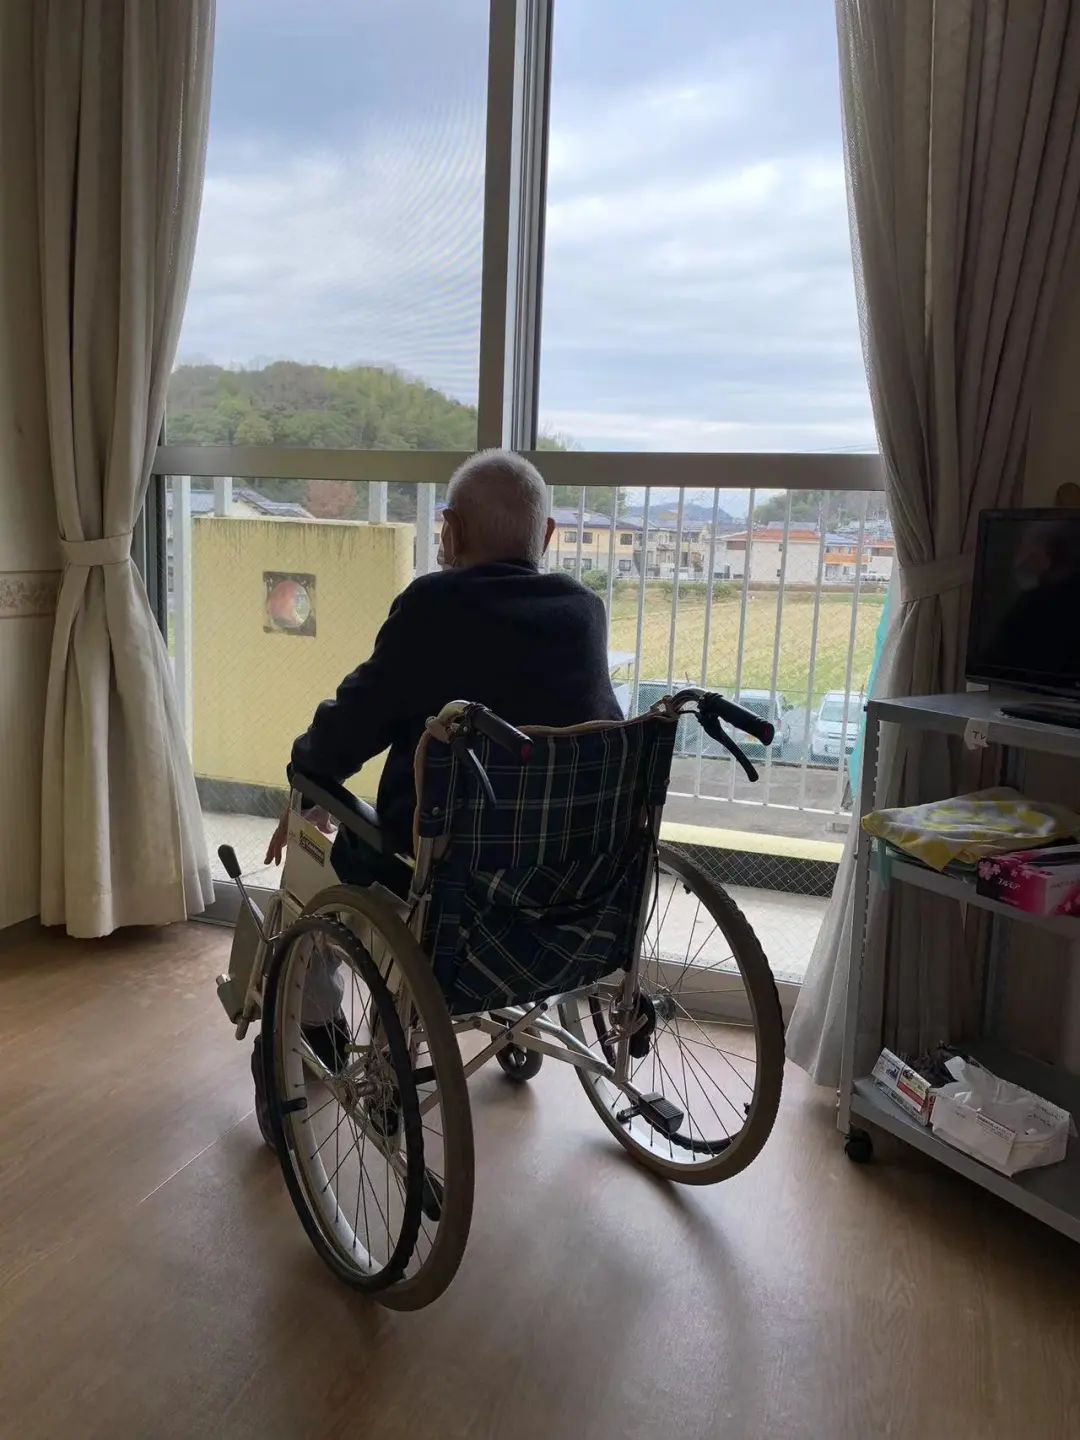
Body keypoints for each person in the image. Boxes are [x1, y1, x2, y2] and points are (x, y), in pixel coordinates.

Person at [252, 449, 622, 1137]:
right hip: (574, 879)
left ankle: (314, 1027)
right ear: (546, 536)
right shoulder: (583, 612)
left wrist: (305, 776)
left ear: (449, 531)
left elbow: (355, 721)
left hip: (441, 887)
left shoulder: (435, 606)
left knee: (315, 865)